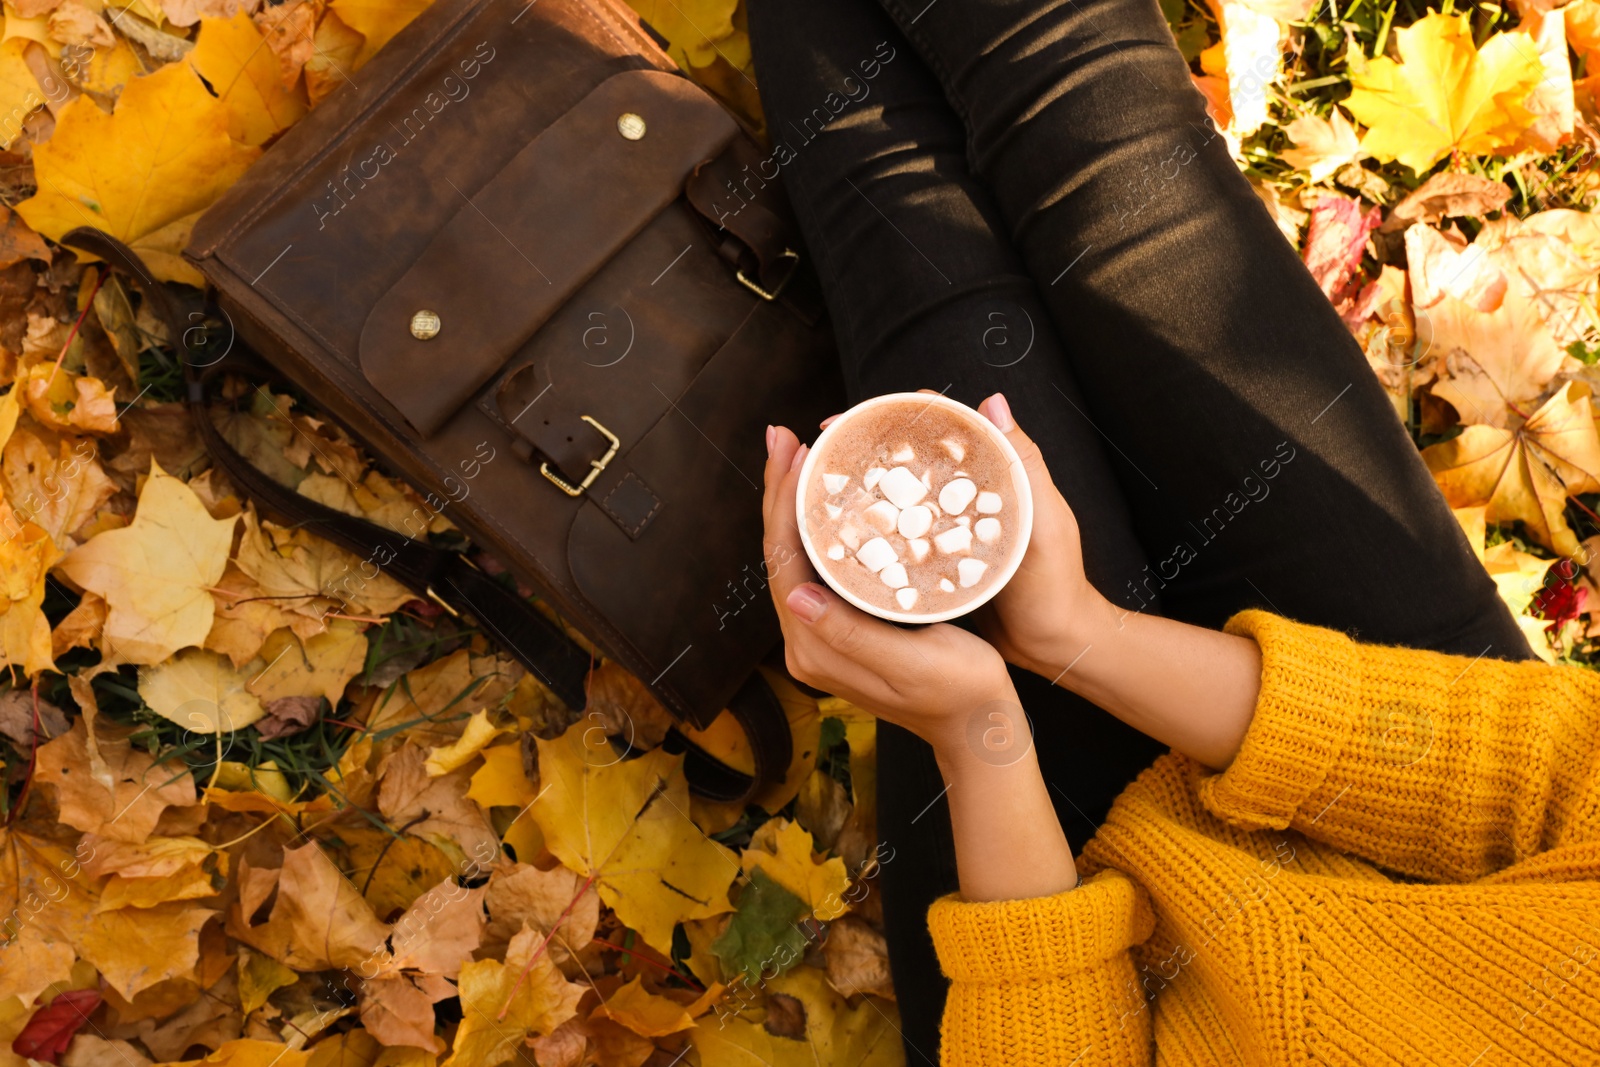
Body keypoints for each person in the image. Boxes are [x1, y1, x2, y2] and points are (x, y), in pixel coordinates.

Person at [745, 0, 1600, 1062]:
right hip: (1409, 756)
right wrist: (1078, 633)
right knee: (1105, 145)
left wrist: (983, 734)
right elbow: (1561, 774)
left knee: (923, 293)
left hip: (1063, 955)